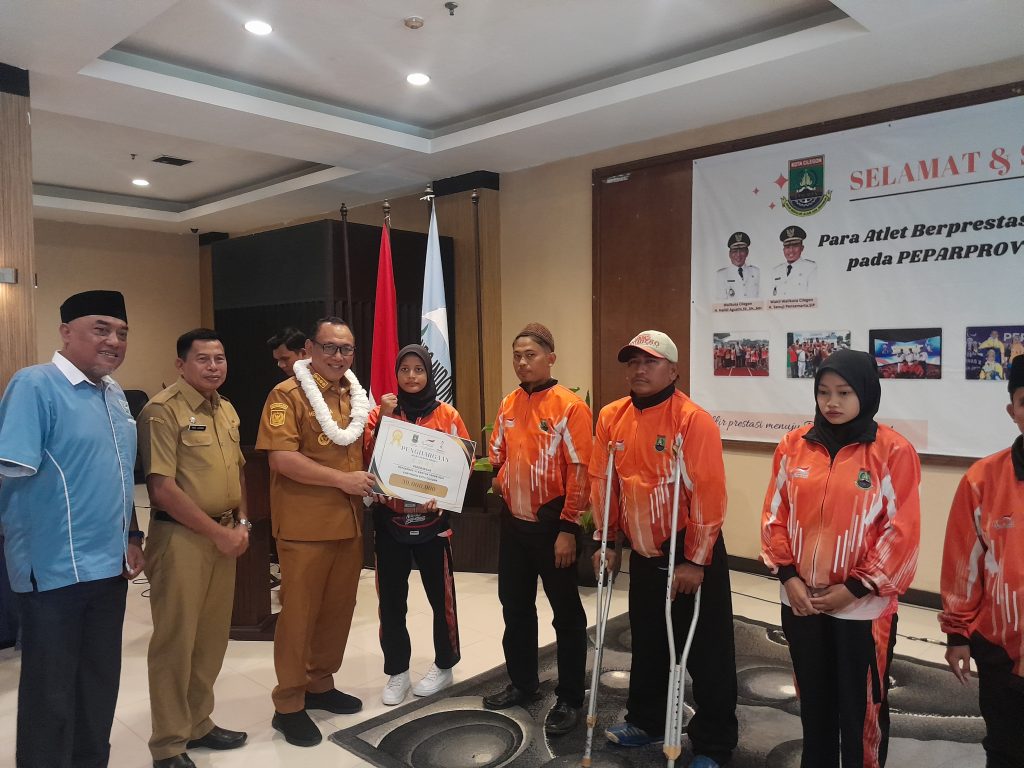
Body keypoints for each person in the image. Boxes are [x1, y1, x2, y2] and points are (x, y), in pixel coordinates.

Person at [0, 290, 144, 768]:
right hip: (54, 572)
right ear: (65, 332)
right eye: (101, 329)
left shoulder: (114, 393)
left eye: (121, 332)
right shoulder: (35, 384)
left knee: (99, 686)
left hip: (109, 568)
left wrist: (132, 536)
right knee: (51, 695)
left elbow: (119, 473)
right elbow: (9, 472)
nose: (114, 341)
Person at [761, 349, 921, 768]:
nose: (832, 402)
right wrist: (788, 576)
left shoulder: (892, 451)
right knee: (813, 700)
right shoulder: (793, 446)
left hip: (861, 608)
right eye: (824, 392)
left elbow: (901, 532)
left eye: (844, 392)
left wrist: (853, 588)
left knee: (860, 707)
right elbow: (775, 516)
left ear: (865, 393)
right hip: (801, 600)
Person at [591, 330, 737, 766]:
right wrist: (607, 540)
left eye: (650, 362)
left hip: (688, 551)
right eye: (633, 362)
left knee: (707, 652)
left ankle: (714, 743)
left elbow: (709, 494)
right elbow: (604, 483)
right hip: (644, 551)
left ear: (673, 370)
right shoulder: (612, 417)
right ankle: (647, 720)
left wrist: (696, 560)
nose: (639, 370)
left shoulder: (692, 420)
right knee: (649, 642)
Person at [255, 317, 375, 748]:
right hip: (305, 527)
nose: (338, 356)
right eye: (330, 347)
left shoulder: (352, 394)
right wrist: (342, 481)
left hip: (347, 523)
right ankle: (288, 703)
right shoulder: (287, 394)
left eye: (347, 349)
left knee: (337, 611)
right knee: (299, 616)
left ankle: (320, 683)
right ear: (310, 348)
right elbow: (282, 460)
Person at [139, 329, 251, 767]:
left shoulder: (226, 408)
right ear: (181, 365)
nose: (213, 366)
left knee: (210, 640)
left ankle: (199, 723)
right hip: (181, 540)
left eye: (219, 358)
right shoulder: (162, 411)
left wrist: (241, 523)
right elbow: (162, 489)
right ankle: (168, 744)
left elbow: (238, 472)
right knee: (175, 643)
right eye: (203, 359)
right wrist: (219, 534)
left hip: (223, 535)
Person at [484, 323, 592, 737]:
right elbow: (496, 455)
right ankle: (523, 682)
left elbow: (581, 472)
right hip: (514, 525)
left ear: (551, 358)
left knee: (566, 615)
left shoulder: (569, 407)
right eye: (517, 355)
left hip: (553, 529)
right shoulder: (509, 403)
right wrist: (500, 479)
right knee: (515, 607)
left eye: (530, 355)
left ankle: (570, 698)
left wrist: (568, 529)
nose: (522, 362)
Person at [363, 344, 469, 705]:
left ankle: (445, 664)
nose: (411, 376)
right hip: (390, 522)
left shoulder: (448, 415)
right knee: (392, 602)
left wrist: (442, 497)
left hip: (433, 523)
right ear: (396, 374)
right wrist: (386, 418)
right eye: (404, 369)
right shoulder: (380, 413)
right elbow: (368, 460)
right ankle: (397, 671)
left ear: (428, 374)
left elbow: (462, 466)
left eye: (418, 369)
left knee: (442, 599)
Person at [939, 355, 1024, 768]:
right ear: (1013, 411)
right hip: (1001, 651)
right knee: (1006, 748)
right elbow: (963, 565)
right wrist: (957, 634)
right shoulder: (982, 479)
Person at [770, 225, 816, 297]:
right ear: (783, 250)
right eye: (787, 247)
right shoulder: (776, 271)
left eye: (795, 246)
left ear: (802, 248)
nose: (791, 251)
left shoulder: (811, 268)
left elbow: (813, 297)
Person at [715, 231, 760, 299]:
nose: (738, 255)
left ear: (747, 253)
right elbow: (720, 302)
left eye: (742, 251)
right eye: (734, 251)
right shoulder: (721, 275)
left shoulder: (756, 272)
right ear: (730, 254)